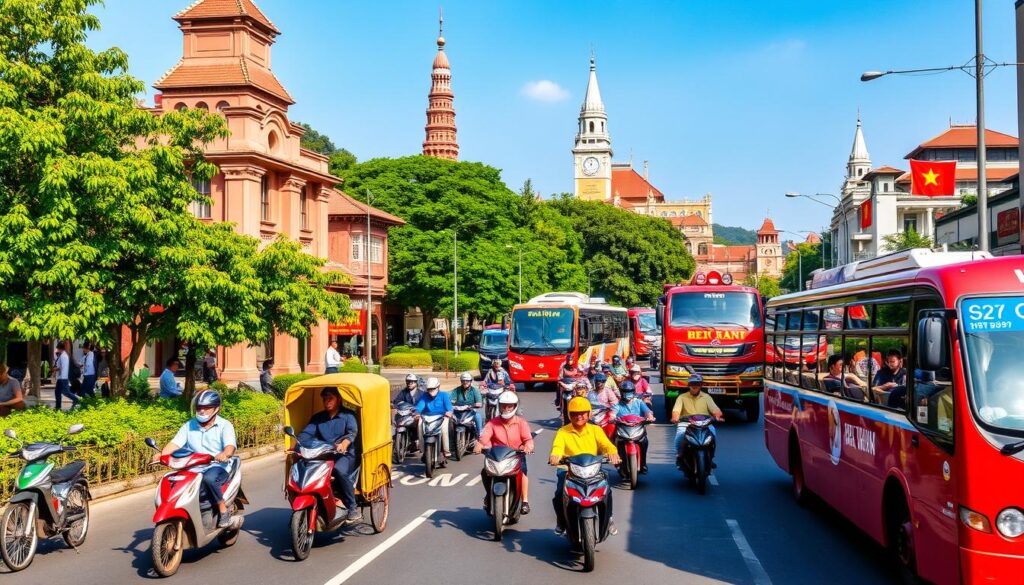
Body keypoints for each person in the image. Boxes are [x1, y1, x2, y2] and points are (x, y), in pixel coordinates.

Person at [156, 391, 237, 528]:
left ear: (216, 408)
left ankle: (223, 511)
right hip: (191, 467)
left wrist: (224, 454)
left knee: (208, 479)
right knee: (171, 480)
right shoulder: (189, 425)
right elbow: (174, 444)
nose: (202, 410)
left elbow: (230, 446)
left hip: (216, 466)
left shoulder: (225, 425)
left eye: (206, 407)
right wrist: (162, 454)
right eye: (199, 407)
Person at [548, 397, 621, 535]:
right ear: (570, 415)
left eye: (582, 413)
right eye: (575, 413)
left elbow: (606, 444)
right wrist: (555, 455)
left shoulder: (595, 430)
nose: (579, 416)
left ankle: (609, 518)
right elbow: (557, 446)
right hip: (568, 470)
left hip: (593, 470)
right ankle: (561, 521)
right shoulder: (563, 431)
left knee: (607, 490)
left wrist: (612, 452)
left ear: (589, 414)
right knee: (559, 494)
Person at [297, 387, 362, 522]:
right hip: (324, 455)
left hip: (345, 455)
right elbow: (306, 435)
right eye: (325, 399)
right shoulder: (318, 418)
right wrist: (297, 444)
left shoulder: (348, 415)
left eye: (330, 398)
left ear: (338, 399)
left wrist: (344, 444)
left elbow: (352, 433)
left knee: (339, 470)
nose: (327, 402)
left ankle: (352, 507)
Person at [475, 392, 535, 514]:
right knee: (484, 472)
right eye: (503, 406)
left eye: (509, 406)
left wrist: (528, 447)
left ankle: (524, 501)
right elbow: (484, 437)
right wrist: (480, 445)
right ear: (499, 406)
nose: (506, 409)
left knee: (522, 473)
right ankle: (488, 494)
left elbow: (528, 439)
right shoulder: (492, 423)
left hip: (516, 455)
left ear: (515, 406)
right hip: (496, 457)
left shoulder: (521, 422)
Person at [670, 375, 723, 461]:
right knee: (680, 435)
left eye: (697, 384)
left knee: (713, 434)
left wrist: (717, 416)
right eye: (692, 384)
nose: (694, 386)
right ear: (689, 385)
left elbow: (716, 410)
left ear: (701, 385)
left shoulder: (706, 397)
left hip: (704, 423)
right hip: (686, 423)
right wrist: (675, 418)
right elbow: (676, 411)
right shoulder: (682, 397)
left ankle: (711, 456)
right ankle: (679, 454)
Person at [613, 380, 655, 473]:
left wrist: (650, 417)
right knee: (617, 443)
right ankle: (620, 465)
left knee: (644, 441)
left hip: (638, 428)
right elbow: (613, 413)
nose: (628, 394)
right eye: (625, 392)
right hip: (623, 429)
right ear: (621, 393)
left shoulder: (639, 402)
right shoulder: (618, 404)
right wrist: (612, 418)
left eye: (630, 392)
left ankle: (643, 464)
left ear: (633, 392)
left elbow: (647, 411)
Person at [415, 377, 454, 458]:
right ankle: (422, 448)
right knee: (419, 425)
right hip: (427, 417)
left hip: (442, 417)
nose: (431, 391)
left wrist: (449, 412)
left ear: (438, 387)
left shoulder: (444, 395)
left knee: (444, 430)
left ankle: (446, 450)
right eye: (429, 389)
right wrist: (417, 413)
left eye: (433, 388)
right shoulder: (425, 395)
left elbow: (449, 407)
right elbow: (420, 406)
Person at [449, 372, 483, 439]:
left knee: (477, 416)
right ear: (461, 381)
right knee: (448, 418)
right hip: (458, 410)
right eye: (463, 381)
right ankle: (450, 437)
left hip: (470, 410)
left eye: (467, 381)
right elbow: (450, 397)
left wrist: (474, 405)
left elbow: (479, 402)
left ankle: (480, 434)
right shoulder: (457, 390)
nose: (465, 382)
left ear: (470, 381)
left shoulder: (475, 390)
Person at [53, 341, 78, 410]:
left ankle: (76, 399)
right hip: (61, 377)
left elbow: (62, 367)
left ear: (60, 348)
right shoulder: (62, 355)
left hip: (63, 378)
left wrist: (55, 369)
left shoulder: (64, 356)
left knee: (66, 392)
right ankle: (58, 407)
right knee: (57, 392)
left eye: (57, 348)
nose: (57, 350)